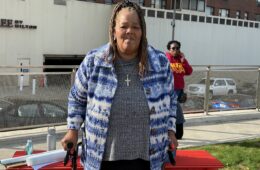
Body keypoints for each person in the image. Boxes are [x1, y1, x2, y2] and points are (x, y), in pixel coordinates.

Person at [61, 1, 178, 170]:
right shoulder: (94, 61)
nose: (129, 31)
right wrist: (72, 130)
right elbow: (76, 98)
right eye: (124, 26)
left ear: (142, 32)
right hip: (102, 160)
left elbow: (171, 100)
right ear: (114, 31)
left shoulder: (160, 63)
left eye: (135, 27)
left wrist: (171, 132)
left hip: (148, 159)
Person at [165, 40, 193, 140]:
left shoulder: (180, 60)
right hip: (169, 91)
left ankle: (175, 134)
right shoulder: (166, 59)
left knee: (174, 112)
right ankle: (178, 133)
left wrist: (183, 60)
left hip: (179, 91)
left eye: (177, 48)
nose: (175, 50)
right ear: (169, 49)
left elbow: (189, 71)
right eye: (173, 48)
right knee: (176, 112)